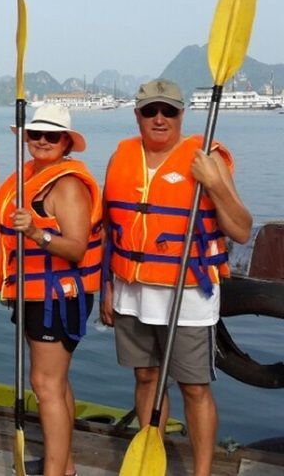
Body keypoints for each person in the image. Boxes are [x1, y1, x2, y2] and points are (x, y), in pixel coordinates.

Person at [101, 79, 251, 476]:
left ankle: (201, 472)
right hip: (131, 291)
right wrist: (106, 286)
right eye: (151, 111)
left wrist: (215, 182)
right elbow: (110, 229)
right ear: (138, 115)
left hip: (187, 293)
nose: (160, 118)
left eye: (169, 110)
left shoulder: (207, 158)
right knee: (147, 377)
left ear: (182, 114)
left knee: (195, 388)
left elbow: (240, 229)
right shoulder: (122, 156)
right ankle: (152, 463)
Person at [0, 105, 102, 476]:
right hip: (35, 293)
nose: (41, 141)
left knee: (45, 383)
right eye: (35, 134)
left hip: (59, 296)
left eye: (51, 135)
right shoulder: (28, 178)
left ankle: (56, 472)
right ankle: (64, 464)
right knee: (56, 381)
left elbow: (76, 247)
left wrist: (37, 234)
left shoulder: (67, 185)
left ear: (66, 142)